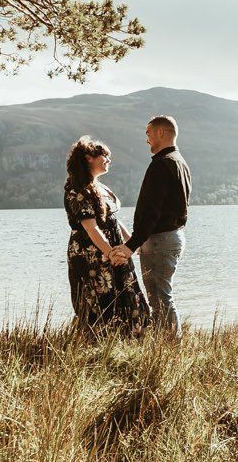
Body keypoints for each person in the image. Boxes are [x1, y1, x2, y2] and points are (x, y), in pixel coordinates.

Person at [114, 115, 191, 333]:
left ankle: (168, 346)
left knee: (159, 296)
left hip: (159, 240)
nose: (146, 139)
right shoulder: (180, 162)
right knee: (161, 295)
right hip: (171, 237)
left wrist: (131, 244)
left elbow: (151, 211)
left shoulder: (162, 164)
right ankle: (166, 343)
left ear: (160, 133)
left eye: (148, 133)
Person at [62, 135, 146, 333]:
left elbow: (113, 220)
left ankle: (129, 337)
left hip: (113, 247)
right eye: (104, 156)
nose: (108, 160)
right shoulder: (77, 189)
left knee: (125, 291)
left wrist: (132, 243)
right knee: (99, 297)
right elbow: (91, 227)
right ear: (89, 157)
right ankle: (99, 342)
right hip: (90, 251)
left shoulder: (102, 187)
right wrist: (110, 253)